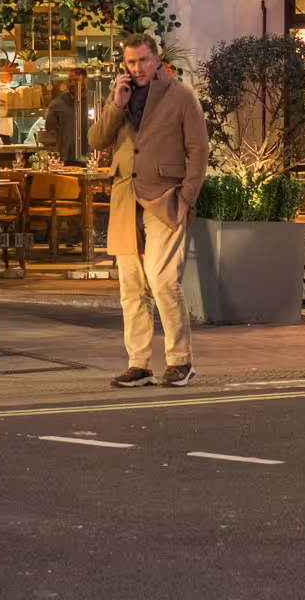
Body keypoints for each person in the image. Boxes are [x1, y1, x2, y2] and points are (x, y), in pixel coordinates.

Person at [87, 32, 207, 389]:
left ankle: (180, 361)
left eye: (142, 60)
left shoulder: (181, 97)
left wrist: (186, 197)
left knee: (164, 280)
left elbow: (198, 150)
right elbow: (96, 140)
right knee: (132, 287)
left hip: (165, 199)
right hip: (126, 199)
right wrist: (116, 105)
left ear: (157, 60)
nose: (137, 68)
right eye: (131, 62)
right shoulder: (120, 96)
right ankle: (138, 364)